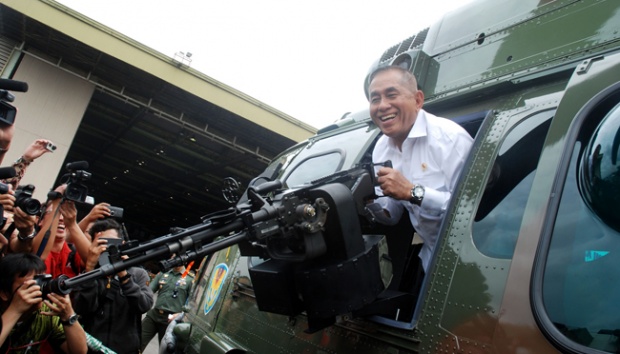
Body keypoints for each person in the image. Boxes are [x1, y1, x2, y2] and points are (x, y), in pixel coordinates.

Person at [366, 65, 474, 273]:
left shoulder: (450, 139)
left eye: (391, 95)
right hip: (431, 257)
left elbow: (471, 209)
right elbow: (393, 213)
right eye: (375, 99)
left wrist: (413, 192)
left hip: (470, 256)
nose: (382, 106)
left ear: (417, 100)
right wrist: (369, 201)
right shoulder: (381, 148)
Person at [71, 218, 153, 354]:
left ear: (122, 243)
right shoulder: (89, 275)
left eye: (111, 243)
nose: (106, 248)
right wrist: (90, 268)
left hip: (125, 349)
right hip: (92, 348)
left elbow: (143, 306)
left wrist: (124, 275)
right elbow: (82, 308)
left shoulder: (138, 273)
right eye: (101, 243)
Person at [0, 252, 87, 354]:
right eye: (31, 285)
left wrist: (68, 315)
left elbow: (79, 352)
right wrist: (15, 310)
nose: (38, 290)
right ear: (4, 294)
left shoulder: (45, 312)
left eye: (41, 282)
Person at [141, 262, 194, 352]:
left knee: (166, 350)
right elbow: (149, 291)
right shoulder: (163, 273)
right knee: (138, 341)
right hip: (154, 315)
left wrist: (180, 314)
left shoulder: (190, 279)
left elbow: (193, 304)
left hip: (171, 320)